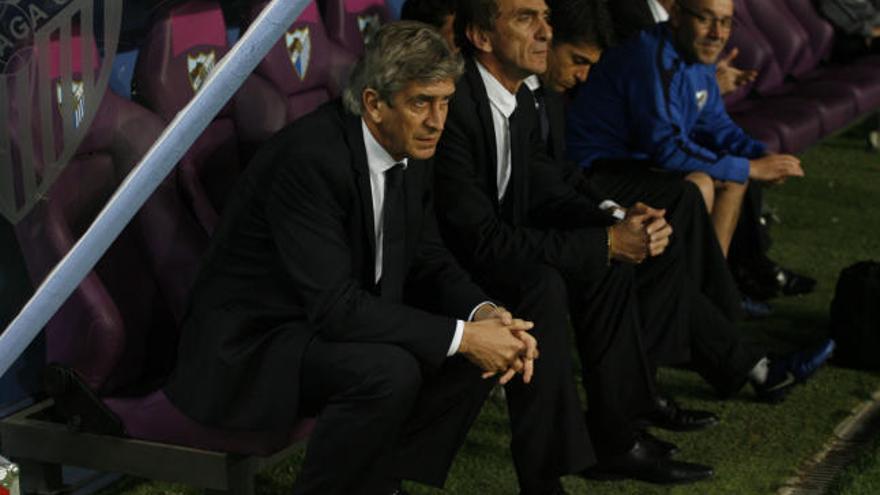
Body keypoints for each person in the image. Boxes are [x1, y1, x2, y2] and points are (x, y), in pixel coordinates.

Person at [164, 22, 591, 495]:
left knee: (471, 348)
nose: (437, 120)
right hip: (253, 346)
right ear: (373, 103)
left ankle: (380, 478)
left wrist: (485, 314)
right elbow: (335, 307)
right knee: (390, 370)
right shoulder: (310, 160)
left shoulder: (410, 143)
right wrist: (465, 336)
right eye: (420, 102)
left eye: (446, 100)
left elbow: (427, 256)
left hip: (320, 321)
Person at [436, 0, 834, 485]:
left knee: (631, 244)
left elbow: (547, 180)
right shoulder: (457, 102)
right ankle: (550, 474)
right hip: (452, 264)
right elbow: (481, 240)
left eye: (545, 17)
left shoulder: (516, 98)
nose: (544, 30)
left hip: (519, 234)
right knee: (552, 280)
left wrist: (616, 215)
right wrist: (604, 240)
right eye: (526, 18)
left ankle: (620, 436)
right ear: (481, 36)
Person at [603, 0, 816, 309]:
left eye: (726, 22)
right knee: (704, 182)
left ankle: (708, 297)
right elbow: (667, 148)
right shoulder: (652, 54)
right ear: (677, 15)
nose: (718, 33)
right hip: (606, 168)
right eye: (706, 19)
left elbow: (715, 123)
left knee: (732, 178)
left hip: (642, 160)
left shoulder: (696, 53)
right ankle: (689, 303)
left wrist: (761, 154)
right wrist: (751, 167)